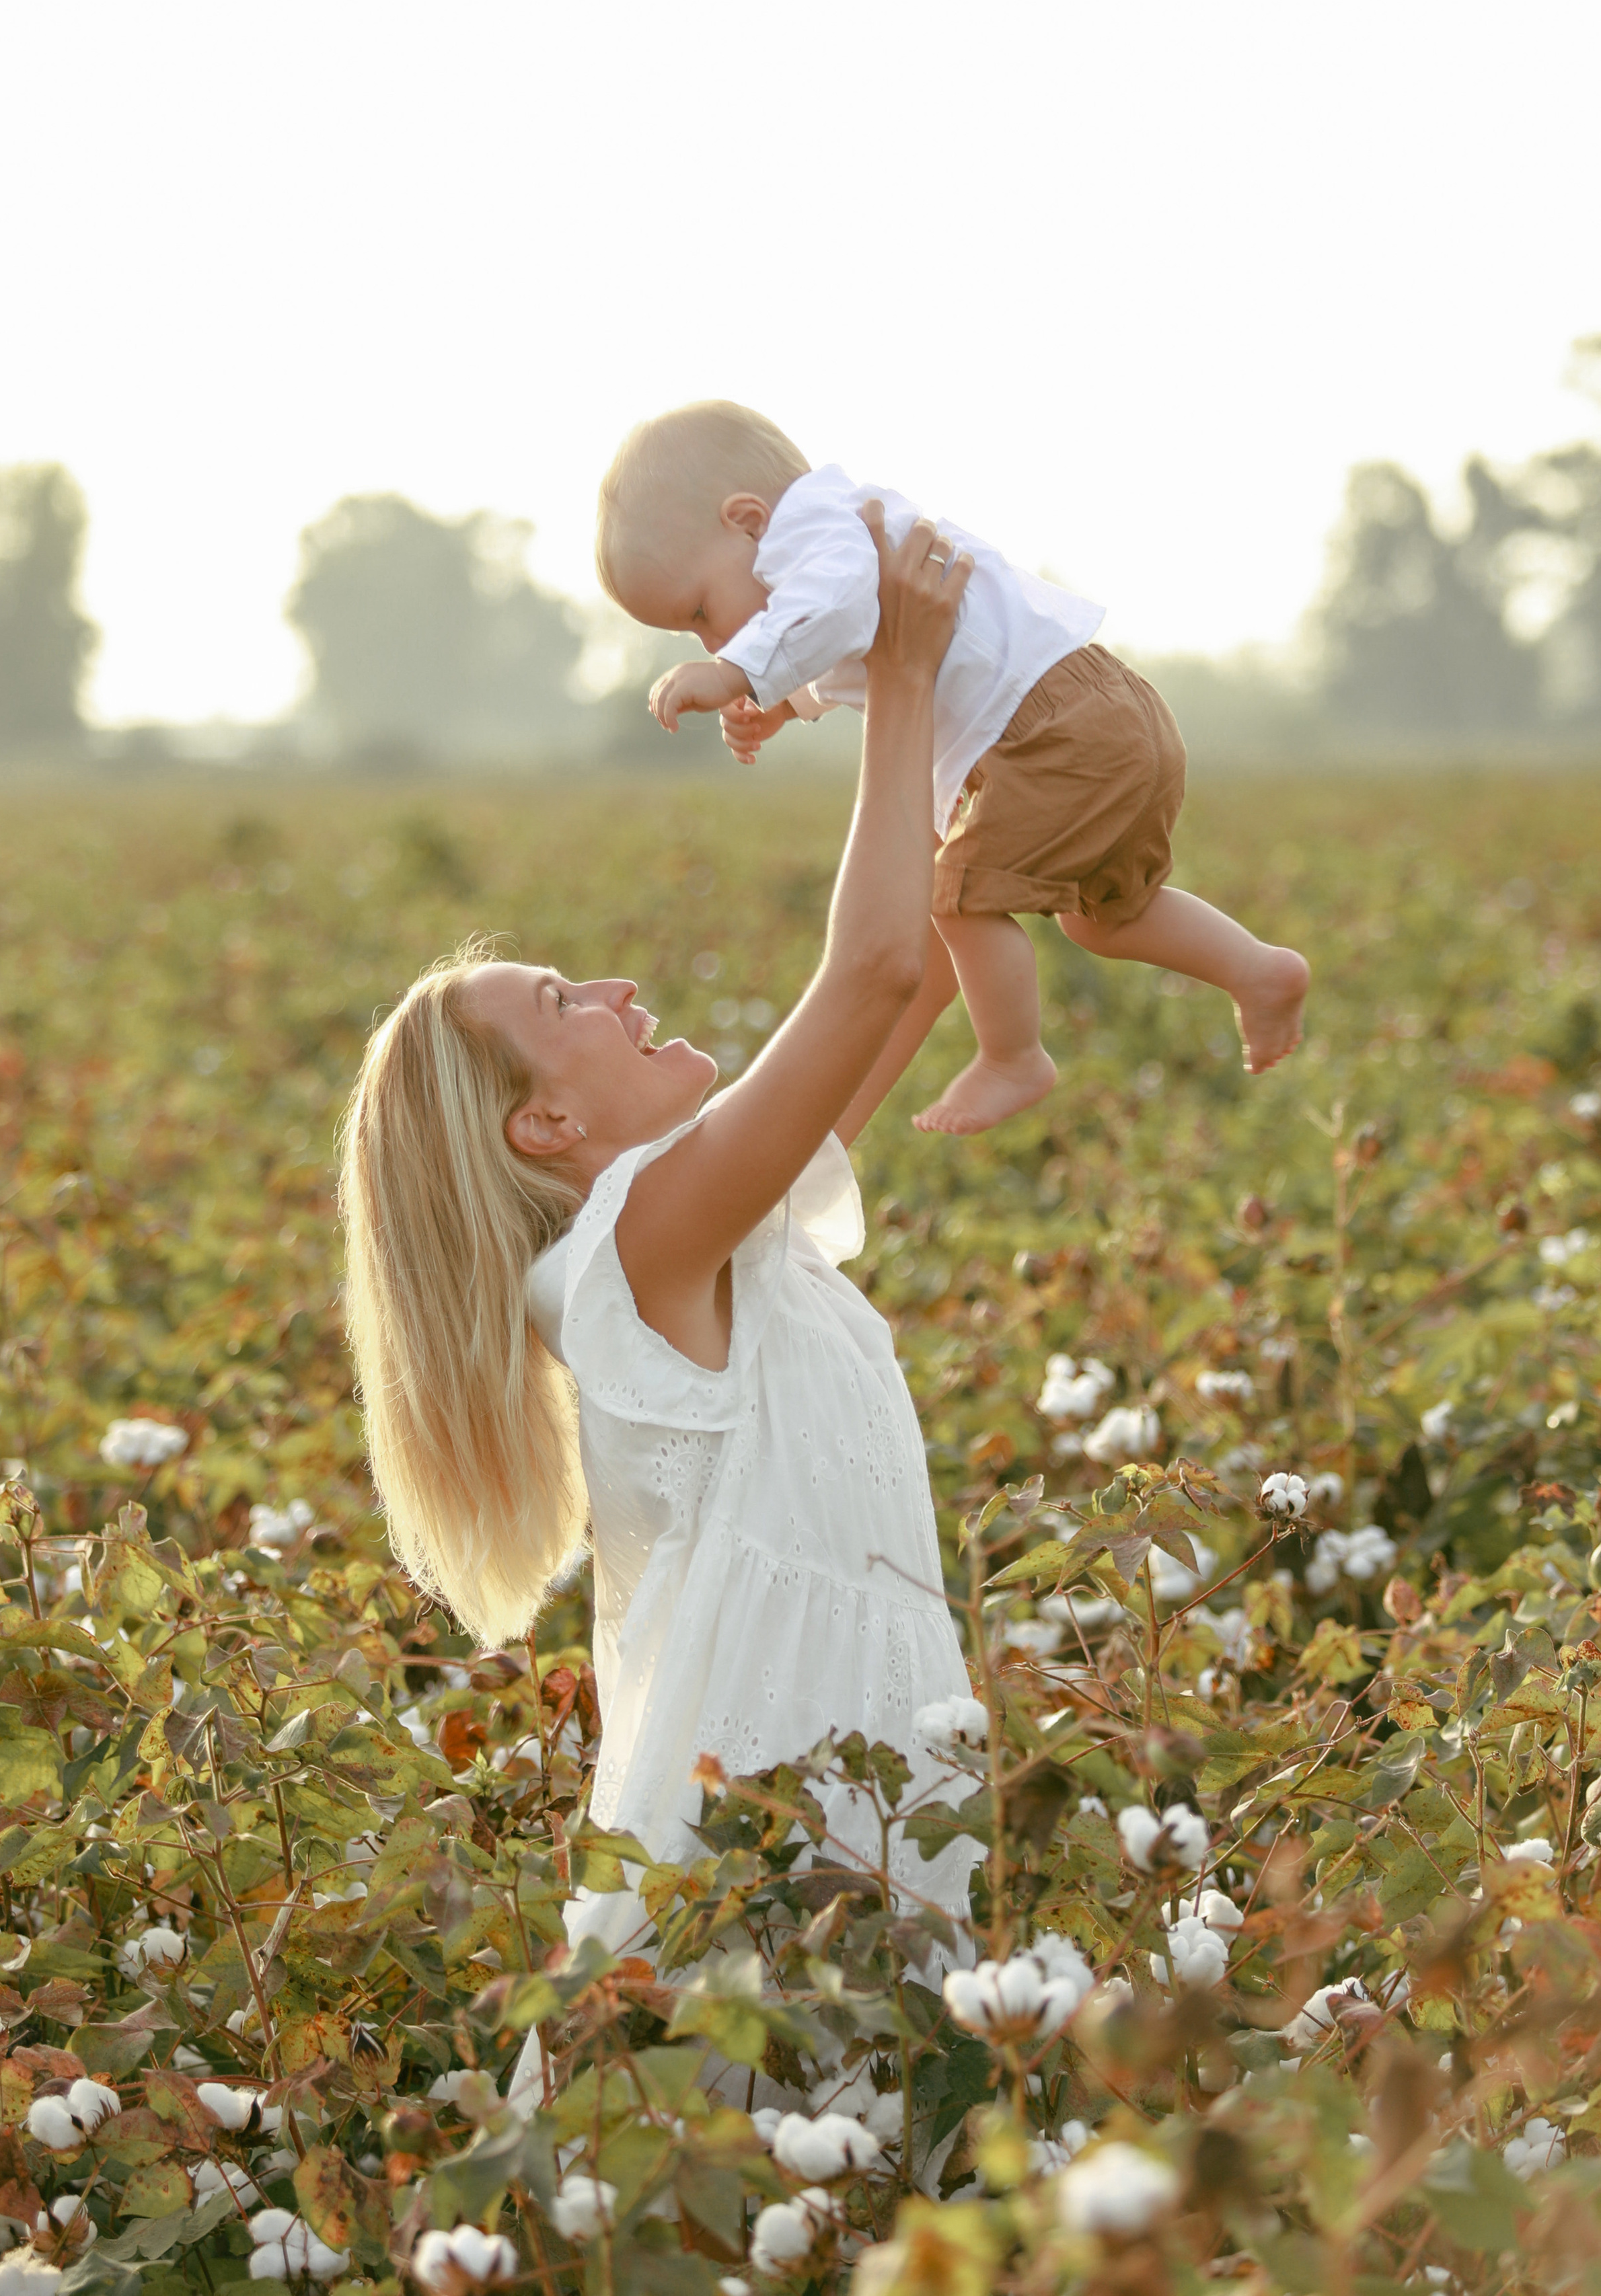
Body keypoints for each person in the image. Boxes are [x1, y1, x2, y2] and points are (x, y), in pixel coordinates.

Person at [338, 512, 984, 2108]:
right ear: (542, 1132)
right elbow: (872, 971)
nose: (619, 991)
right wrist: (895, 675)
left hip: (848, 1832)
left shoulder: (713, 1226)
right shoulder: (634, 1248)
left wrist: (936, 711)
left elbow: (923, 962)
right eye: (566, 1006)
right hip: (761, 1881)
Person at [595, 398, 1310, 1137]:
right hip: (1100, 717)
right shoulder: (830, 544)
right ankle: (1257, 968)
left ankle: (1013, 1056)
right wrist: (785, 703)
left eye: (699, 612)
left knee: (953, 900)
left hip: (1048, 731)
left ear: (747, 521)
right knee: (1099, 918)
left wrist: (741, 672)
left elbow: (832, 609)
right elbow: (848, 642)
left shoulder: (814, 530)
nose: (711, 638)